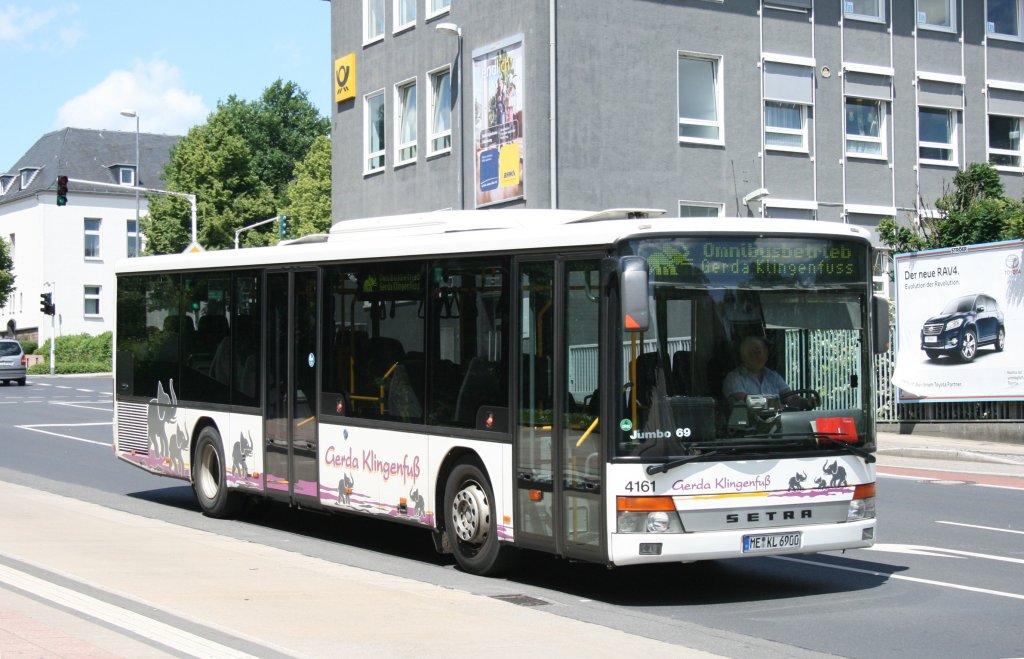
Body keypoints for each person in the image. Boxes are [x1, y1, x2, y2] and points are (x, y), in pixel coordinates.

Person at [722, 335, 815, 409]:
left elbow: (790, 398)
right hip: (748, 426)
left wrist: (806, 402)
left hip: (776, 425)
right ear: (744, 355)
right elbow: (743, 400)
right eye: (756, 352)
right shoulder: (734, 378)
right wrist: (772, 405)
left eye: (763, 351)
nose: (761, 355)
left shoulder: (773, 376)